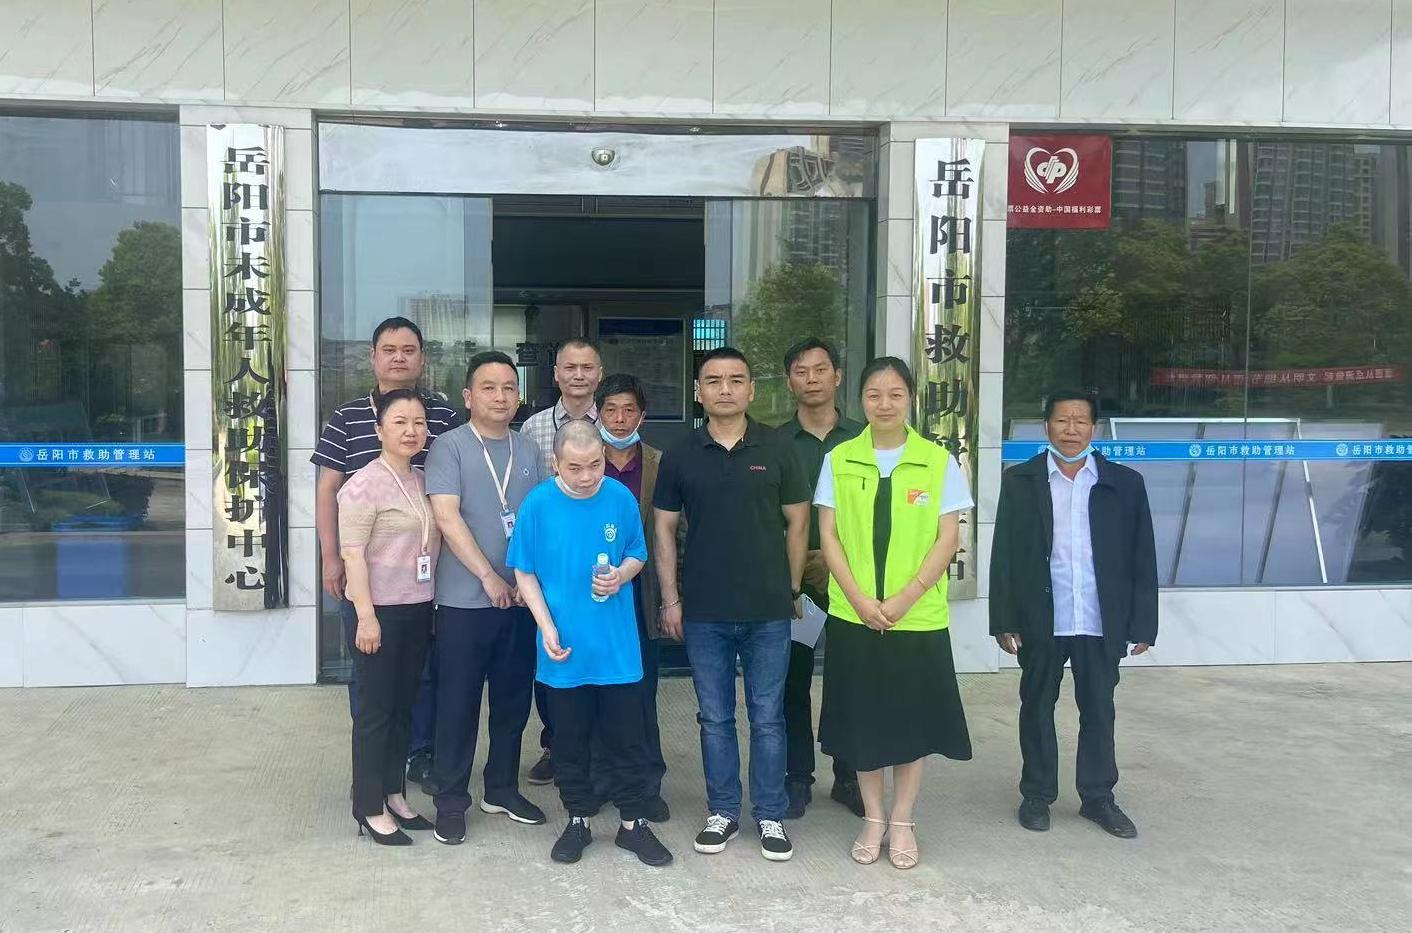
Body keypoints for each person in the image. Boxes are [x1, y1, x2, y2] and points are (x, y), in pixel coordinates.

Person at [815, 357, 974, 870]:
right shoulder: (840, 459)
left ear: (910, 399)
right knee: (864, 721)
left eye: (895, 394)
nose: (884, 404)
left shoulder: (938, 461)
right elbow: (828, 536)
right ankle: (873, 816)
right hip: (854, 616)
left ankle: (903, 819)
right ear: (860, 400)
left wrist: (906, 597)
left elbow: (948, 537)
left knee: (910, 722)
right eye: (874, 395)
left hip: (916, 619)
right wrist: (860, 600)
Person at [653, 347, 809, 863]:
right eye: (714, 380)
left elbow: (798, 522)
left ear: (751, 389)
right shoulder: (680, 453)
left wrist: (791, 589)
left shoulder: (778, 447)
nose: (725, 389)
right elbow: (663, 528)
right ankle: (722, 811)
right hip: (704, 611)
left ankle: (770, 814)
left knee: (767, 717)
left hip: (767, 609)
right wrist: (671, 598)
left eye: (736, 379)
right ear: (698, 392)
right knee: (715, 717)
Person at [989, 388, 1158, 839]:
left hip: (1100, 619)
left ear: (1094, 428)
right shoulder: (1021, 480)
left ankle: (1098, 797)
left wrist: (1144, 622)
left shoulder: (1124, 483)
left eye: (1080, 421)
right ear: (1047, 426)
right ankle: (1036, 795)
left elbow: (1142, 556)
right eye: (1062, 420)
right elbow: (1004, 553)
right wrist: (1003, 618)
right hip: (1041, 616)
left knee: (1099, 710)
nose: (1071, 429)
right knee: (1036, 707)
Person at [508, 420, 673, 867]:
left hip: (617, 649)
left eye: (595, 465)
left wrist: (621, 575)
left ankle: (632, 824)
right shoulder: (538, 504)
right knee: (569, 741)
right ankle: (578, 818)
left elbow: (637, 553)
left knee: (628, 740)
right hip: (563, 649)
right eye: (575, 468)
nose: (587, 477)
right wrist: (545, 626)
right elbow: (524, 570)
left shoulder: (619, 497)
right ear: (555, 463)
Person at [312, 316, 463, 787]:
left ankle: (418, 755)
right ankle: (374, 770)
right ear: (373, 357)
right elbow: (327, 489)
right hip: (367, 576)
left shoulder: (443, 418)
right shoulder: (347, 417)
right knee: (371, 674)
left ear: (422, 358)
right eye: (389, 349)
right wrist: (331, 557)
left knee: (423, 671)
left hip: (425, 578)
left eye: (409, 350)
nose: (399, 358)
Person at [424, 351, 548, 846]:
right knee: (457, 704)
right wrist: (488, 578)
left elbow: (539, 520)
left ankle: (501, 788)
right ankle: (451, 800)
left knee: (513, 703)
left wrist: (526, 584)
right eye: (489, 388)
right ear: (468, 396)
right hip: (463, 603)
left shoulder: (528, 450)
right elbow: (447, 517)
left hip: (520, 601)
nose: (500, 397)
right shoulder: (449, 446)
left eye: (509, 388)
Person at [338, 389, 441, 846]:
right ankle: (368, 805)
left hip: (417, 608)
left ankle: (394, 792)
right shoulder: (361, 485)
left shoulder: (422, 479)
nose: (411, 431)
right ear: (379, 430)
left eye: (418, 422)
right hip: (376, 611)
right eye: (399, 422)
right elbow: (353, 555)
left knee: (403, 707)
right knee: (375, 711)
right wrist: (365, 616)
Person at [776, 338, 865, 820]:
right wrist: (795, 566)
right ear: (789, 381)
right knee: (791, 680)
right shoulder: (774, 443)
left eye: (820, 370)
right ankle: (797, 777)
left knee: (850, 678)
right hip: (797, 583)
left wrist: (838, 562)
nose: (811, 379)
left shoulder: (863, 440)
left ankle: (849, 775)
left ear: (837, 377)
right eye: (801, 371)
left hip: (854, 581)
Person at [518, 337, 603, 787]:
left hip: (601, 563)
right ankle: (555, 745)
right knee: (551, 657)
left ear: (599, 374)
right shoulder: (532, 428)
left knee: (597, 658)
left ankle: (598, 749)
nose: (578, 375)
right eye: (570, 367)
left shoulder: (614, 420)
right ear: (555, 374)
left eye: (587, 367)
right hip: (551, 564)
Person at [596, 373, 670, 823]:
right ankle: (602, 778)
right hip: (594, 594)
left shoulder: (660, 463)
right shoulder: (582, 460)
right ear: (598, 414)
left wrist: (671, 597)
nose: (620, 419)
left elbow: (673, 530)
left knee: (641, 691)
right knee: (597, 690)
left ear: (642, 415)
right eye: (611, 410)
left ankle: (646, 784)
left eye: (629, 410)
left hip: (643, 592)